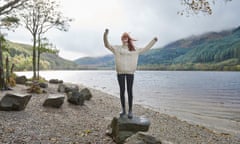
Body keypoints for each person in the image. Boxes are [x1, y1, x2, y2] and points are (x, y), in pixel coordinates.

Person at [103, 29, 158, 119]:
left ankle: (130, 111)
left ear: (128, 39)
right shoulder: (117, 48)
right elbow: (106, 45)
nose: (124, 39)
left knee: (129, 91)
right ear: (122, 39)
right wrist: (106, 34)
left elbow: (146, 48)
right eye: (123, 37)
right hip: (120, 73)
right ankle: (124, 110)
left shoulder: (135, 49)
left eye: (126, 37)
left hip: (130, 73)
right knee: (122, 91)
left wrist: (153, 41)